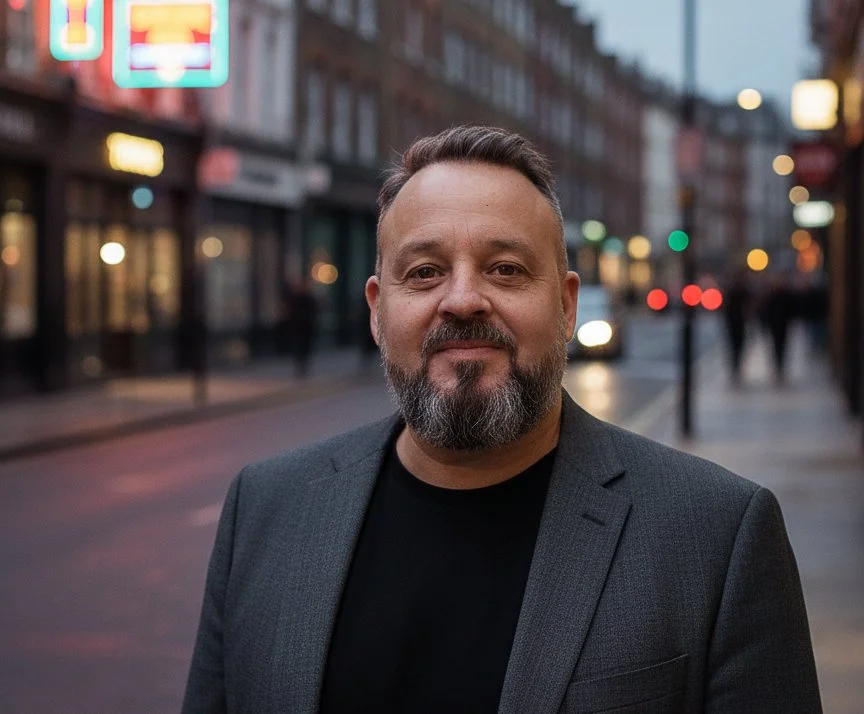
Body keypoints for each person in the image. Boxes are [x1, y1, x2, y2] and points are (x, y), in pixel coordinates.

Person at [183, 127, 821, 714]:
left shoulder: (718, 537)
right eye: (425, 271)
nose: (462, 299)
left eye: (505, 269)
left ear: (565, 306)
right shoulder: (265, 509)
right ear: (378, 312)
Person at [721, 268, 751, 384]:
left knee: (736, 346)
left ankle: (735, 367)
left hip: (737, 323)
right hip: (735, 323)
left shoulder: (738, 291)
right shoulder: (736, 291)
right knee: (736, 346)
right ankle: (735, 367)